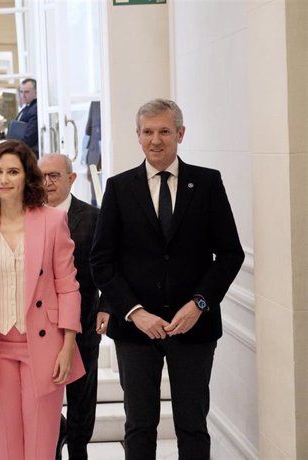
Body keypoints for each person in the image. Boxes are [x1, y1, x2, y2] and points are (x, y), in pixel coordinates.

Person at [90, 99, 244, 459]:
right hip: (136, 330)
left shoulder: (207, 183)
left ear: (180, 134)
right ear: (138, 136)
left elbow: (230, 254)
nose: (155, 140)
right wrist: (134, 312)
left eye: (163, 131)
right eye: (147, 132)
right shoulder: (118, 187)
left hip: (193, 328)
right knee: (140, 427)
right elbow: (101, 260)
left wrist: (199, 304)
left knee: (192, 426)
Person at [0, 140, 85, 460]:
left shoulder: (53, 221)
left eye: (13, 171)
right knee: (4, 447)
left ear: (28, 176)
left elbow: (68, 286)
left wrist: (68, 345)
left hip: (44, 346)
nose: (4, 179)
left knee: (42, 446)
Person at [38, 153, 109, 460]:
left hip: (83, 324)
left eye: (54, 175)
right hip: (39, 329)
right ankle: (55, 440)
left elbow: (111, 267)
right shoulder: (29, 216)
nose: (47, 182)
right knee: (44, 399)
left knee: (81, 397)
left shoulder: (93, 218)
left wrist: (107, 307)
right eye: (41, 176)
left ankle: (78, 448)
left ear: (71, 178)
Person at [17, 78, 39, 157]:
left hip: (30, 153)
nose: (23, 95)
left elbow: (30, 137)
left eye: (26, 92)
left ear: (36, 92)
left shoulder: (35, 109)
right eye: (21, 92)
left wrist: (14, 146)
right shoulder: (27, 108)